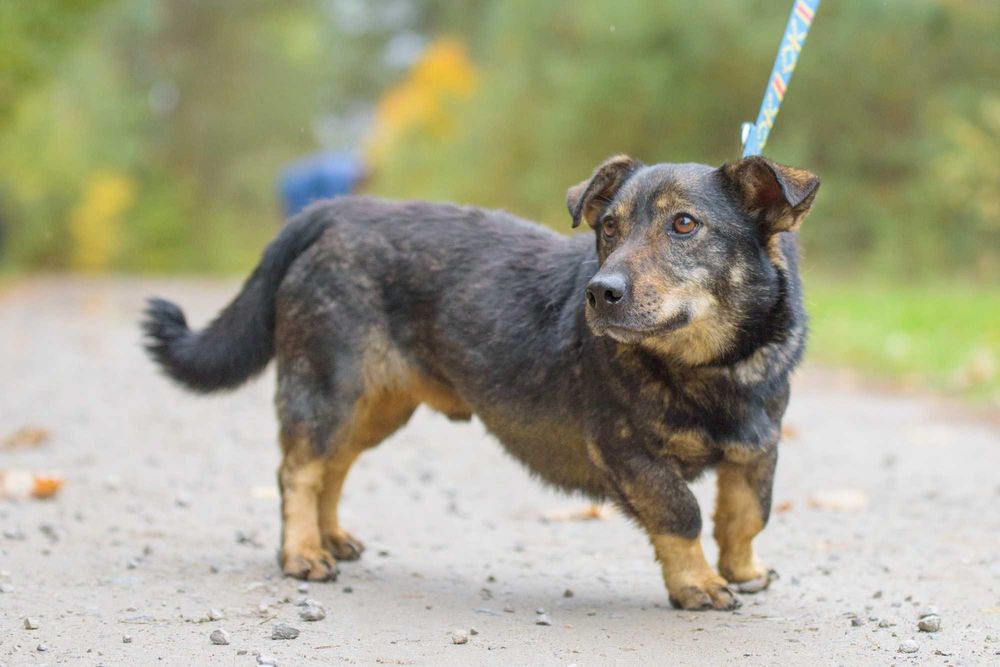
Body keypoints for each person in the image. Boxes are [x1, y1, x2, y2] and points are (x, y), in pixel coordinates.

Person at [278, 152, 368, 219]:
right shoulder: (338, 179)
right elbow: (331, 206)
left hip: (289, 179)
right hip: (295, 187)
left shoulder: (345, 164)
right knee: (300, 220)